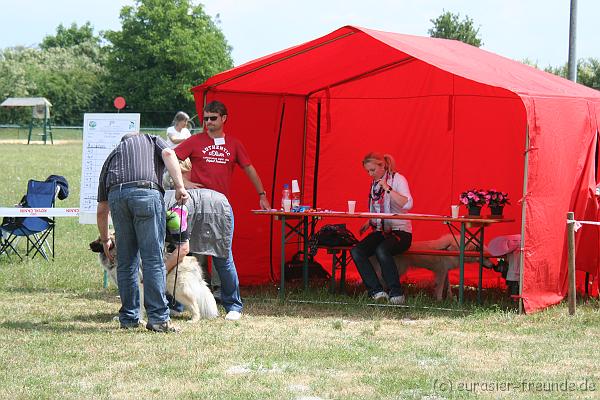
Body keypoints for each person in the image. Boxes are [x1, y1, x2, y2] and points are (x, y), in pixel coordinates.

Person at [174, 100, 271, 321]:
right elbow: (169, 157)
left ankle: (234, 306)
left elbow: (249, 168)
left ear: (224, 118)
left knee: (223, 257)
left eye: (213, 118)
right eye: (205, 118)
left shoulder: (234, 144)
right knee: (186, 255)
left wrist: (262, 195)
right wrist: (184, 183)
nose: (208, 122)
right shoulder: (194, 141)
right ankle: (179, 304)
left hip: (219, 207)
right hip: (195, 204)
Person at [96, 132, 189, 333]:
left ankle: (129, 317)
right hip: (147, 194)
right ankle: (158, 319)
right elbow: (169, 154)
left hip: (117, 198)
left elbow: (102, 209)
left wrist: (105, 240)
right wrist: (180, 187)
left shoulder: (112, 157)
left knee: (127, 260)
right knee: (153, 259)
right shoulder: (150, 139)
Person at [350, 152, 413, 305]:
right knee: (357, 251)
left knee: (381, 250)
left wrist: (388, 188)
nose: (370, 174)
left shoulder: (398, 179)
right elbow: (379, 209)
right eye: (368, 171)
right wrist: (370, 221)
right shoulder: (375, 184)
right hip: (382, 231)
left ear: (382, 165)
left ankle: (396, 293)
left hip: (401, 232)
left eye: (372, 170)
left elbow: (408, 204)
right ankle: (376, 291)